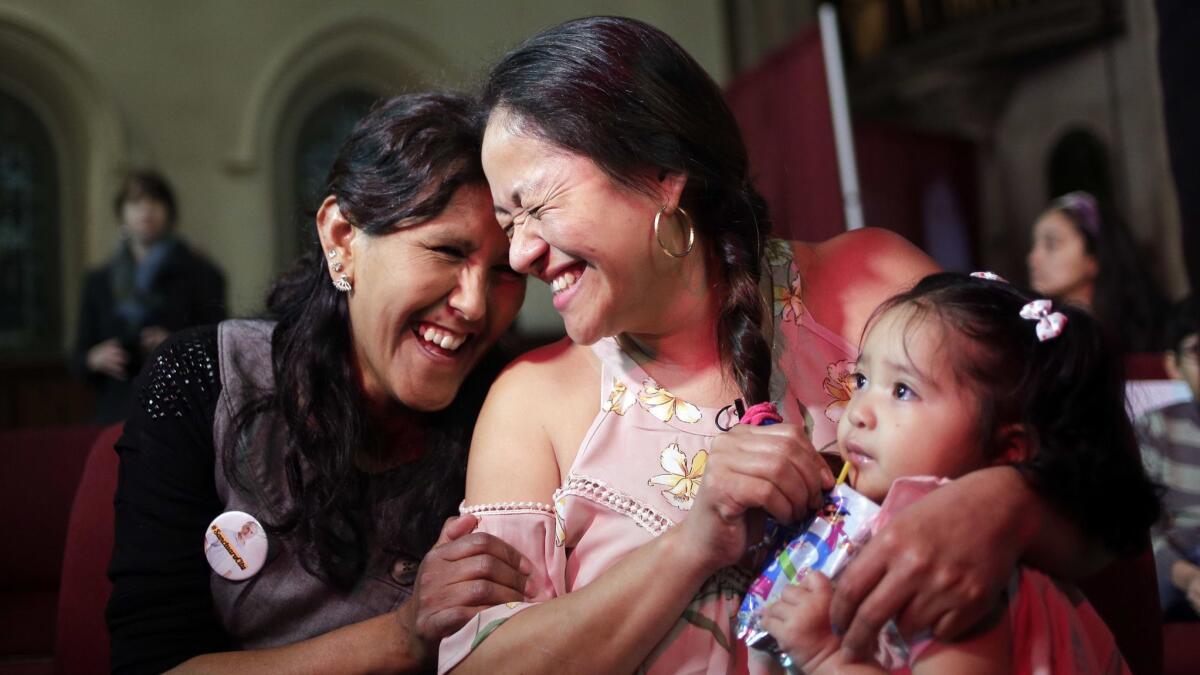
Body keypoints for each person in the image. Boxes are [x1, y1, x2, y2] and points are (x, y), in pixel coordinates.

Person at [440, 16, 1125, 674]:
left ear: (658, 171)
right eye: (508, 222)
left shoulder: (873, 288)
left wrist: (1004, 506)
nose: (522, 251)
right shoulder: (530, 403)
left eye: (534, 205)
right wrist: (691, 543)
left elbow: (1109, 503)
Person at [107, 93, 534, 673]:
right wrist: (403, 636)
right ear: (341, 237)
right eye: (445, 250)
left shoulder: (514, 415)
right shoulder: (203, 379)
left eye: (506, 271)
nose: (475, 304)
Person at [761, 272, 1158, 673]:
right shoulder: (867, 523)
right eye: (861, 381)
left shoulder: (960, 568)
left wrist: (824, 657)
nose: (858, 413)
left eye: (902, 390)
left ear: (1008, 450)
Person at [73, 169, 227, 424]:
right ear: (122, 213)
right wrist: (94, 358)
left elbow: (219, 340)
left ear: (169, 211)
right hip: (116, 409)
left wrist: (174, 345)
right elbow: (79, 355)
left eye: (155, 201)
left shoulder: (200, 273)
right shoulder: (99, 282)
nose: (146, 210)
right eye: (135, 202)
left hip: (178, 407)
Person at [1026, 190, 1169, 353]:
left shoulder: (1151, 336)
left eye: (1051, 244)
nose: (1033, 258)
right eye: (1034, 245)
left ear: (1094, 257)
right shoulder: (1038, 339)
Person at [1138, 294, 1200, 621]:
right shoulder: (1157, 426)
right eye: (1198, 351)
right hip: (1176, 566)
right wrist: (1188, 577)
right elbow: (1142, 528)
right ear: (1173, 365)